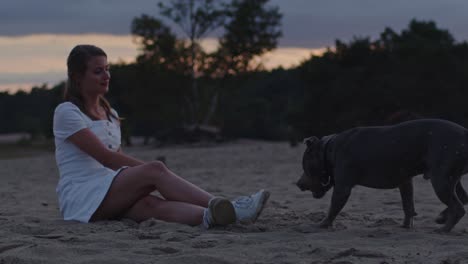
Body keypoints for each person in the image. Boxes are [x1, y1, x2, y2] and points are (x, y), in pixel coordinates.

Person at [53, 44, 270, 228]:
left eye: (107, 69)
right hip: (83, 196)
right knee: (155, 169)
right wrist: (155, 173)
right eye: (98, 71)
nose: (106, 76)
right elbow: (107, 158)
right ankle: (231, 207)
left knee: (150, 205)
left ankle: (215, 217)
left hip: (109, 190)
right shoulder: (67, 112)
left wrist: (146, 177)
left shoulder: (111, 115)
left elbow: (117, 159)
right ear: (77, 77)